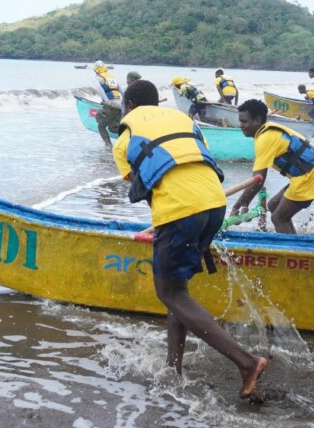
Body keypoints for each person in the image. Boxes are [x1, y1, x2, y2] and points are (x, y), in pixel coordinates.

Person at [114, 80, 268, 397]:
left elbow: (145, 184)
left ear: (128, 107)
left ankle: (246, 362)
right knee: (178, 290)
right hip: (214, 203)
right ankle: (174, 367)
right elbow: (192, 161)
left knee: (169, 293)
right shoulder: (181, 119)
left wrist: (166, 221)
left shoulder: (125, 137)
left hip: (180, 210)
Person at [233, 99, 314, 235]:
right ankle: (294, 242)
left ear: (257, 120)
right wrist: (245, 203)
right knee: (273, 205)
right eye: (240, 121)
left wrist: (238, 205)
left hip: (311, 177)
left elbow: (258, 179)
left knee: (278, 218)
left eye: (244, 121)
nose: (241, 125)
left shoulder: (265, 139)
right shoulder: (268, 131)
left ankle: (293, 252)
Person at [92, 60, 122, 147]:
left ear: (96, 70)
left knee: (101, 126)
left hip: (110, 105)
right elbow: (122, 92)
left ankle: (108, 146)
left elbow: (99, 89)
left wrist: (106, 101)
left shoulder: (97, 78)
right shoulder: (112, 78)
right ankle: (123, 144)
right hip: (119, 106)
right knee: (115, 128)